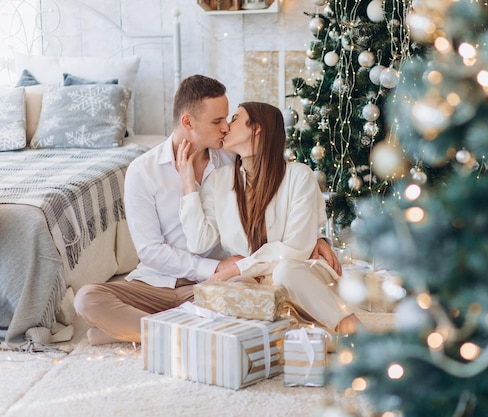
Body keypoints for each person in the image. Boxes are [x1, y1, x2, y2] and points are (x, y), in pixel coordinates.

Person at [74, 75, 340, 345]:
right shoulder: (143, 171)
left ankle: (137, 332)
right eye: (217, 121)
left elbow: (275, 191)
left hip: (223, 286)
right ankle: (178, 331)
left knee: (252, 296)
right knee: (88, 298)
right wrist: (214, 268)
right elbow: (149, 250)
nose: (225, 127)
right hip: (157, 284)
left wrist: (314, 237)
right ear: (188, 122)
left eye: (228, 119)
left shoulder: (231, 157)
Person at [177, 101, 362, 335]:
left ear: (256, 128)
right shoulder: (219, 181)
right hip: (255, 282)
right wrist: (187, 181)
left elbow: (295, 249)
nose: (225, 127)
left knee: (284, 271)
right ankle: (296, 338)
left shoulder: (298, 176)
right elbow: (198, 242)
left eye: (234, 119)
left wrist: (239, 267)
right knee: (232, 290)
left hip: (300, 274)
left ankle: (353, 330)